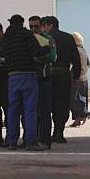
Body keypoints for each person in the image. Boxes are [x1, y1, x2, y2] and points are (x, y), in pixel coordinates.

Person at [1, 14, 48, 151]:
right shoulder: (26, 35)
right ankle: (30, 141)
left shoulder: (6, 38)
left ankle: (11, 141)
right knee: (30, 109)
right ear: (22, 23)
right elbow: (37, 51)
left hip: (12, 76)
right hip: (28, 74)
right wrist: (48, 47)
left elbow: (4, 56)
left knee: (13, 110)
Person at [42, 16, 81, 144]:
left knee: (50, 104)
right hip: (64, 75)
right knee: (62, 104)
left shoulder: (45, 38)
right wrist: (75, 76)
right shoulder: (68, 38)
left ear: (50, 25)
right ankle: (59, 132)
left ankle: (51, 133)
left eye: (44, 26)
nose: (43, 29)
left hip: (48, 75)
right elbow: (76, 59)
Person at [35, 16, 57, 148]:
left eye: (36, 26)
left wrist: (38, 58)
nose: (34, 29)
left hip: (44, 79)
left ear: (42, 27)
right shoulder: (29, 38)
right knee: (31, 111)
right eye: (31, 26)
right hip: (31, 78)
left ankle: (45, 140)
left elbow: (52, 57)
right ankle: (32, 137)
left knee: (44, 111)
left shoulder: (48, 39)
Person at [69, 31, 90, 127]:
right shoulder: (83, 50)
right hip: (84, 78)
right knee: (81, 98)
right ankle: (78, 120)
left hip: (77, 78)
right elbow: (88, 64)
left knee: (73, 99)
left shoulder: (75, 50)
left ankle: (84, 113)